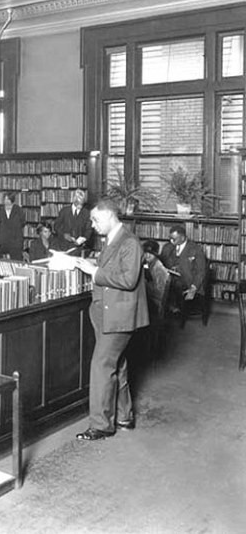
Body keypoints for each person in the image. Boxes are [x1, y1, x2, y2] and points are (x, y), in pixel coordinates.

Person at [73, 198, 149, 441]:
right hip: (106, 311)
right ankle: (124, 415)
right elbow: (113, 268)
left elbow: (128, 279)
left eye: (95, 220)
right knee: (119, 364)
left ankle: (102, 425)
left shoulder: (130, 242)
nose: (93, 225)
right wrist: (89, 264)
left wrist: (94, 271)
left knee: (101, 366)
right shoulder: (114, 239)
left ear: (108, 216)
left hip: (118, 315)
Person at [159, 224, 207, 313]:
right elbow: (162, 262)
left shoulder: (195, 249)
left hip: (188, 282)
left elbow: (201, 271)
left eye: (174, 239)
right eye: (170, 238)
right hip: (170, 278)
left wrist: (194, 288)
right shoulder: (167, 247)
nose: (171, 241)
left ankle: (170, 308)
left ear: (182, 237)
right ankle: (164, 310)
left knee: (171, 286)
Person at [53, 188, 92, 254]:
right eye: (78, 203)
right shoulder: (64, 211)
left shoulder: (86, 213)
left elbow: (88, 230)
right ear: (74, 201)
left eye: (82, 203)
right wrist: (63, 234)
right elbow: (56, 226)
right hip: (63, 246)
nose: (80, 206)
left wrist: (82, 239)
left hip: (78, 248)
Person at [0, 192, 25, 260]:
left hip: (16, 240)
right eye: (5, 199)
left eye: (8, 199)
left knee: (16, 260)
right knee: (1, 261)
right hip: (3, 240)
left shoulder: (18, 210)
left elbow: (22, 223)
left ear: (12, 200)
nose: (6, 201)